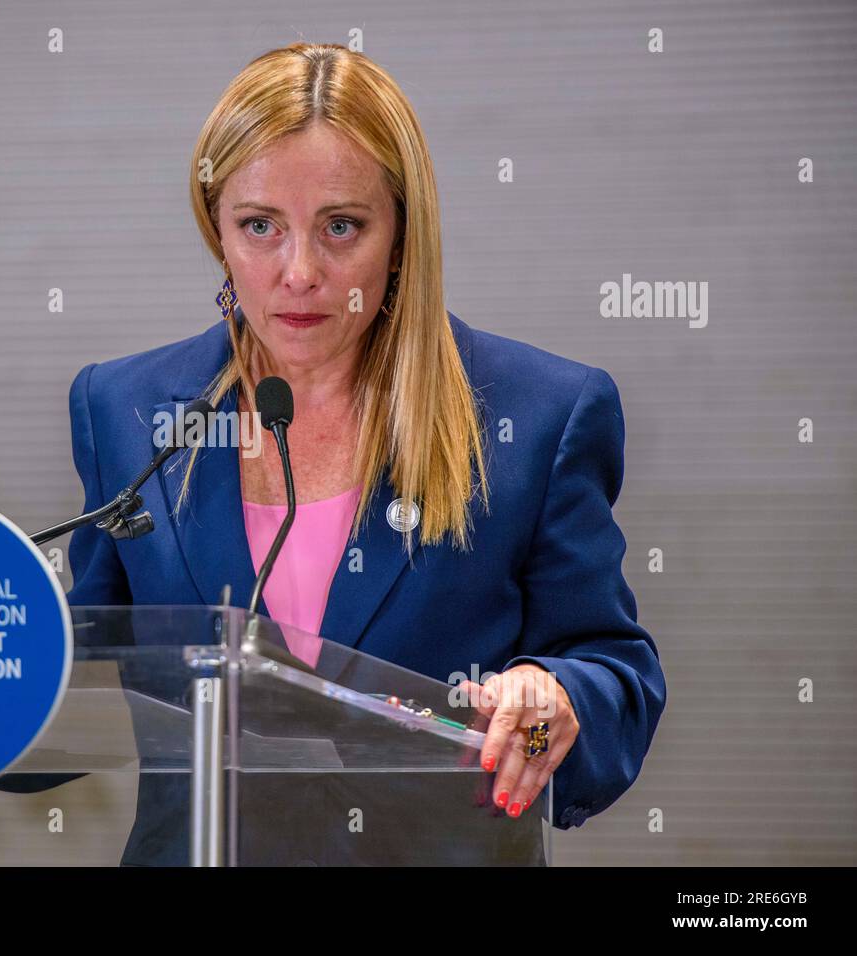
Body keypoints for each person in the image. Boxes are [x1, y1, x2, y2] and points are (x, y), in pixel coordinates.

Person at [55, 41, 665, 864]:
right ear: (217, 232)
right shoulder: (123, 410)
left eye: (341, 226)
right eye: (259, 226)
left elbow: (614, 667)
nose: (299, 272)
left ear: (402, 232)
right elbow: (77, 673)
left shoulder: (543, 413)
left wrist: (557, 691)